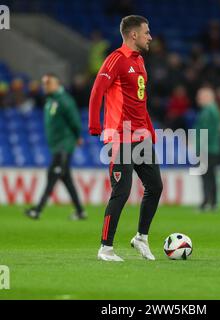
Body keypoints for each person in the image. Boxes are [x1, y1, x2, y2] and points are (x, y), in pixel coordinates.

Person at [88, 15, 163, 262]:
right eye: (147, 32)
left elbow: (140, 103)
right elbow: (97, 90)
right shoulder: (116, 60)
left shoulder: (140, 61)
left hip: (141, 137)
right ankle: (105, 248)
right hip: (119, 137)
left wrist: (150, 131)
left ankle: (141, 237)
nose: (150, 37)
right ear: (133, 35)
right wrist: (95, 124)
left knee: (155, 187)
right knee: (122, 191)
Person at [25, 73, 86, 220]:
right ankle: (80, 211)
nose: (44, 86)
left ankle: (38, 210)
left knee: (52, 174)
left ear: (57, 84)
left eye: (48, 83)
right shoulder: (51, 100)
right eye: (44, 83)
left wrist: (77, 136)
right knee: (66, 178)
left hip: (64, 145)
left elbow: (75, 121)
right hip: (57, 145)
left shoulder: (65, 100)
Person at [195, 87, 220, 211]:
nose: (198, 99)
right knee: (211, 175)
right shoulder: (213, 110)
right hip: (212, 148)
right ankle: (213, 202)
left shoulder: (208, 111)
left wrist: (199, 146)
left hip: (207, 149)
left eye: (200, 96)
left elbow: (205, 131)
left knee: (206, 176)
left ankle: (207, 202)